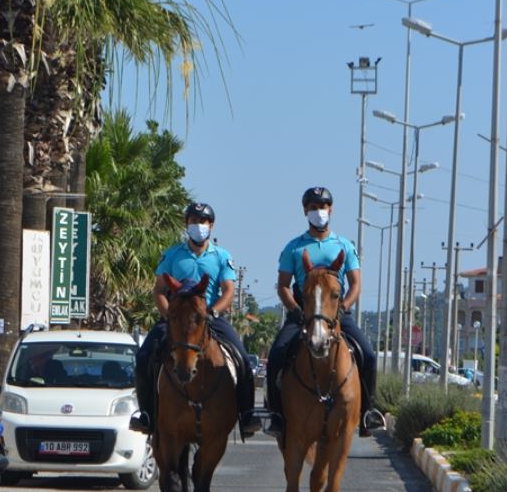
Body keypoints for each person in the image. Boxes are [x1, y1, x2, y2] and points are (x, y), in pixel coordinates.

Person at [129, 202, 258, 438]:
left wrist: (213, 312)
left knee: (241, 358)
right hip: (176, 318)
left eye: (203, 222)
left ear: (212, 226)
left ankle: (246, 415)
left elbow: (228, 290)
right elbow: (159, 290)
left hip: (210, 317)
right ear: (186, 225)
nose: (198, 226)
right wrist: (168, 314)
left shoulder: (221, 256)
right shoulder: (172, 254)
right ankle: (146, 415)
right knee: (144, 356)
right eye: (193, 222)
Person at [264, 186, 381, 439]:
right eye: (314, 207)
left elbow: (356, 283)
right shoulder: (294, 248)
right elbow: (283, 285)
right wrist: (294, 310)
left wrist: (345, 306)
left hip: (336, 313)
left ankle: (368, 413)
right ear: (305, 211)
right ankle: (276, 415)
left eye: (323, 206)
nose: (319, 212)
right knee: (276, 356)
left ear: (331, 210)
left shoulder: (344, 246)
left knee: (369, 355)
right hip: (302, 313)